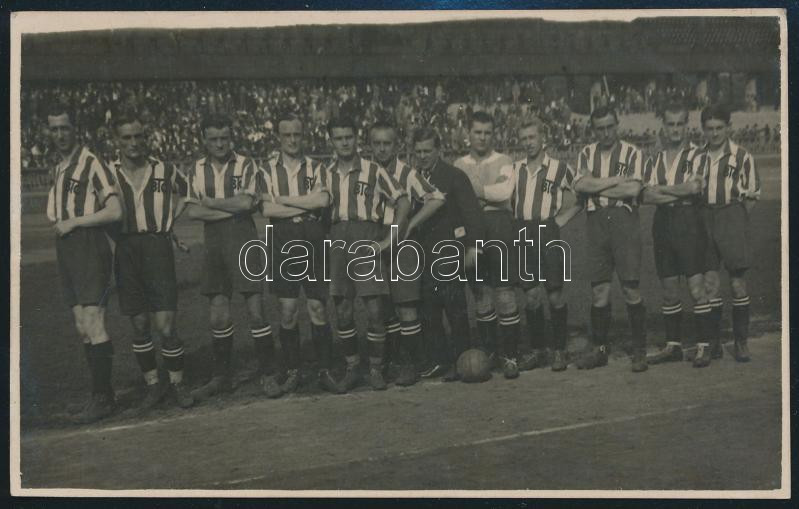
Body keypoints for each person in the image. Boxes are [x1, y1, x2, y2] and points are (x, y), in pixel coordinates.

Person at [182, 114, 274, 402]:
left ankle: (268, 373)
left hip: (243, 238)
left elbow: (247, 203)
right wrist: (231, 208)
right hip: (214, 243)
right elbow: (193, 211)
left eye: (224, 138)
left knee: (256, 309)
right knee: (218, 313)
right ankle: (222, 376)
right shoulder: (196, 169)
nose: (220, 144)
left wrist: (212, 203)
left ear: (231, 137)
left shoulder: (246, 164)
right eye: (213, 139)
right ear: (204, 140)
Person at [110, 112, 194, 410]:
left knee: (166, 325)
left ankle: (177, 383)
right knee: (139, 324)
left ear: (146, 138)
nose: (134, 143)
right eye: (127, 137)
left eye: (139, 136)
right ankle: (153, 385)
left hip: (157, 248)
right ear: (117, 140)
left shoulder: (164, 169)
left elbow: (189, 192)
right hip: (126, 249)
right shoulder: (108, 172)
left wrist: (169, 221)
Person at [46, 105, 123, 423]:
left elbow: (115, 210)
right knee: (82, 326)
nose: (60, 134)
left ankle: (103, 398)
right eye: (54, 129)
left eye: (64, 128)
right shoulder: (59, 168)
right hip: (67, 249)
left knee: (94, 320)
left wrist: (76, 221)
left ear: (75, 129)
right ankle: (99, 394)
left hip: (90, 245)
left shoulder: (92, 163)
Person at [323, 115, 411, 391]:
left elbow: (403, 202)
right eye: (339, 138)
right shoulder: (325, 173)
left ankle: (376, 368)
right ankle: (352, 367)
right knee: (342, 309)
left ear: (356, 138)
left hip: (366, 236)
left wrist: (389, 240)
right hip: (338, 239)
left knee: (375, 309)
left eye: (349, 137)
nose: (344, 143)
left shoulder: (374, 170)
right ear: (331, 141)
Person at [489, 117, 583, 372]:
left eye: (532, 137)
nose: (528, 143)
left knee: (555, 294)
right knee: (531, 296)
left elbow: (582, 194)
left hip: (547, 231)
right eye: (524, 139)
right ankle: (539, 349)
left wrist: (561, 220)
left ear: (543, 138)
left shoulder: (560, 168)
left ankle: (559, 350)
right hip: (521, 231)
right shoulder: (515, 168)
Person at [258, 112, 342, 395]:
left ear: (303, 136)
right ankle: (292, 370)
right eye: (287, 135)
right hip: (282, 238)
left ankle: (325, 369)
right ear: (278, 137)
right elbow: (267, 209)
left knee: (317, 307)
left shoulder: (318, 168)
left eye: (297, 134)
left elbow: (323, 201)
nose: (292, 140)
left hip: (313, 237)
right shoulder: (267, 170)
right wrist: (306, 204)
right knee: (288, 309)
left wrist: (283, 199)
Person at [369, 120, 445, 386]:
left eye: (387, 143)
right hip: (377, 239)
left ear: (397, 145)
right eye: (377, 144)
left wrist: (411, 223)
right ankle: (393, 361)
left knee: (406, 306)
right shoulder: (367, 172)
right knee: (385, 307)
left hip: (402, 242)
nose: (382, 149)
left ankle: (412, 364)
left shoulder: (408, 173)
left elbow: (437, 198)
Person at [572, 106, 648, 373]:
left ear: (617, 125)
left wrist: (597, 185)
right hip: (596, 223)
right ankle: (600, 350)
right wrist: (615, 181)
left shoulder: (632, 152)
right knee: (599, 290)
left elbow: (634, 189)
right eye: (600, 128)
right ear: (593, 129)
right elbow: (580, 185)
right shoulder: (586, 153)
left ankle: (639, 350)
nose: (605, 133)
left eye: (609, 127)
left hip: (624, 222)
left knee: (630, 288)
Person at [641, 102, 715, 367]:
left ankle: (704, 346)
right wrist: (678, 190)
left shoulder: (698, 155)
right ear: (663, 126)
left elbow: (694, 188)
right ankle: (673, 346)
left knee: (696, 286)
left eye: (680, 124)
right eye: (670, 124)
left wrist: (663, 190)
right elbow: (646, 195)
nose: (675, 129)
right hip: (662, 223)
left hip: (689, 222)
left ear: (687, 126)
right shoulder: (654, 159)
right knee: (669, 288)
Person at [412, 127, 484, 381]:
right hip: (424, 253)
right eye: (418, 151)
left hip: (450, 250)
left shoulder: (454, 175)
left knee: (455, 309)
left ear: (438, 150)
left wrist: (474, 247)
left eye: (427, 151)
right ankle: (439, 360)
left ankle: (462, 359)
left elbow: (472, 214)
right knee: (429, 310)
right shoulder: (413, 177)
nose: (422, 156)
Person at [453, 111, 521, 379]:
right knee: (480, 294)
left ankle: (510, 355)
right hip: (472, 231)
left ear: (494, 134)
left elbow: (504, 193)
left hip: (499, 228)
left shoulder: (504, 160)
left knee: (504, 292)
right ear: (468, 134)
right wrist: (483, 193)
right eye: (477, 132)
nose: (482, 137)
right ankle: (490, 352)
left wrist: (472, 192)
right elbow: (457, 202)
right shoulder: (459, 164)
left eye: (487, 132)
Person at [694, 104, 760, 362]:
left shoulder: (742, 156)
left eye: (719, 128)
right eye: (709, 128)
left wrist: (736, 219)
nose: (714, 133)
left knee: (737, 283)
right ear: (703, 129)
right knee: (710, 283)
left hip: (731, 215)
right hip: (704, 217)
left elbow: (752, 195)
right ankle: (714, 342)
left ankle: (741, 342)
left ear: (728, 127)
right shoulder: (697, 157)